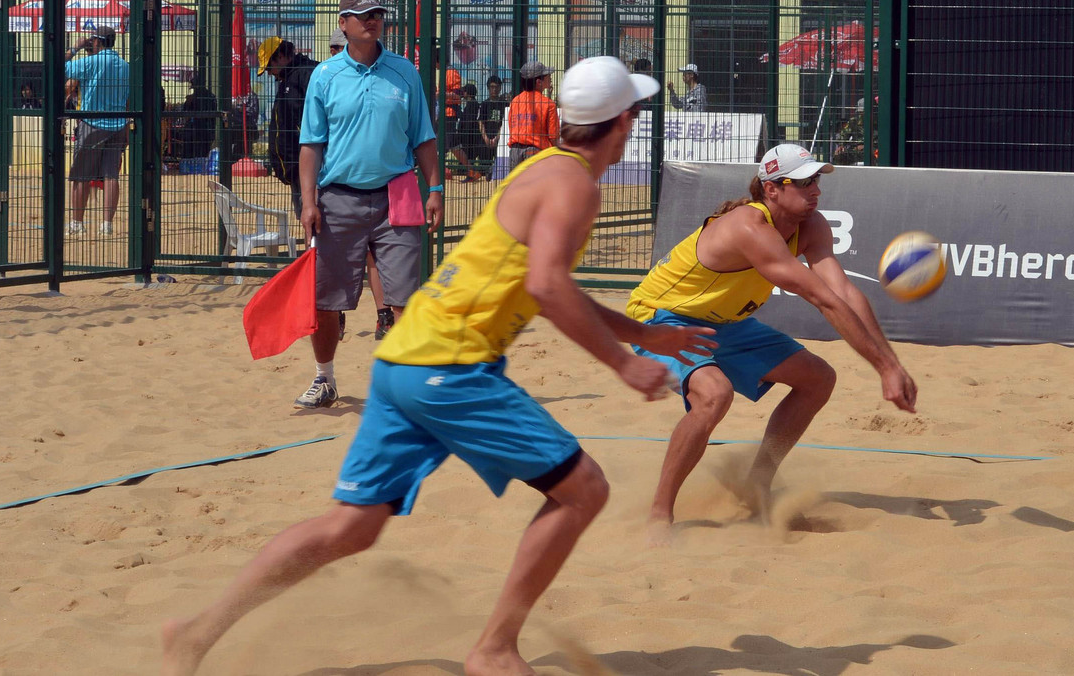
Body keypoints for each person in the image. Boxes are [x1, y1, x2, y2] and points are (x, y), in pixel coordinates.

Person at [160, 54, 716, 676]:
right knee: (584, 490)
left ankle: (197, 633)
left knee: (350, 528)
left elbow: (545, 284)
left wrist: (644, 335)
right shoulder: (576, 184)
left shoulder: (544, 170)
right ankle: (495, 648)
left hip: (402, 359)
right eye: (634, 111)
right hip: (450, 367)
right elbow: (550, 284)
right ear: (623, 121)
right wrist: (622, 362)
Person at [627, 143, 918, 546]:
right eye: (802, 182)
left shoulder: (811, 225)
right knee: (714, 395)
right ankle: (660, 514)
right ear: (772, 189)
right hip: (662, 316)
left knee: (818, 378)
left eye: (816, 179)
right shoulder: (749, 226)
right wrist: (884, 369)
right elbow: (821, 299)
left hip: (725, 321)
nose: (814, 189)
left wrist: (892, 363)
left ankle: (758, 481)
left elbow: (844, 293)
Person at [277, 0, 444, 409]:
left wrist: (436, 189)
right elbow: (311, 144)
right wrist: (309, 201)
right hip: (338, 199)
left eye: (379, 14)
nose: (373, 21)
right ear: (344, 23)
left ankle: (409, 388)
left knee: (405, 297)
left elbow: (423, 135)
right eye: (364, 14)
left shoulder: (404, 71)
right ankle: (325, 379)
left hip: (399, 193)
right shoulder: (326, 75)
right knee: (326, 299)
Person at [324, 26, 390, 337]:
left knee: (369, 253)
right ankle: (336, 315)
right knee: (337, 258)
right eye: (335, 50)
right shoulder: (325, 78)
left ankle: (382, 313)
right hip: (330, 184)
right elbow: (312, 139)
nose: (337, 54)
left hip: (368, 186)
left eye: (338, 48)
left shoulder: (386, 75)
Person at [63, 26, 130, 237]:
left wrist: (75, 48)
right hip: (118, 124)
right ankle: (107, 224)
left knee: (81, 176)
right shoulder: (125, 66)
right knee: (111, 176)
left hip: (92, 124)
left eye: (92, 41)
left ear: (98, 42)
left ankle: (77, 223)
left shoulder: (92, 62)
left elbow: (60, 67)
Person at [258, 37, 318, 219]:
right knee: (305, 218)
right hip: (295, 166)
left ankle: (316, 248)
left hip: (308, 163)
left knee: (312, 218)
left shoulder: (306, 74)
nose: (269, 73)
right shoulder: (287, 79)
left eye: (269, 67)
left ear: (282, 56)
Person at [506, 60, 558, 170]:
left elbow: (512, 126)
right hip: (536, 152)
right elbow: (553, 136)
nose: (550, 77)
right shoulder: (548, 104)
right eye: (547, 76)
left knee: (516, 185)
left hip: (515, 151)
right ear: (539, 82)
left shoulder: (515, 101)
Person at [475, 73, 510, 180]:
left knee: (501, 166)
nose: (494, 89)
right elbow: (481, 122)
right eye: (492, 87)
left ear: (500, 88)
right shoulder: (485, 104)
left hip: (500, 138)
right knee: (484, 165)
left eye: (496, 87)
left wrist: (497, 137)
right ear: (488, 88)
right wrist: (485, 137)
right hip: (486, 137)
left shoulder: (504, 104)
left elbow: (505, 122)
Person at [833, 97, 877, 166]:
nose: (862, 114)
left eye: (863, 112)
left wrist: (866, 146)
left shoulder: (880, 123)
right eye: (860, 112)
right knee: (839, 155)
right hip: (856, 150)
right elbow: (843, 135)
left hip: (874, 151)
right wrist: (841, 146)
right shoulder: (854, 121)